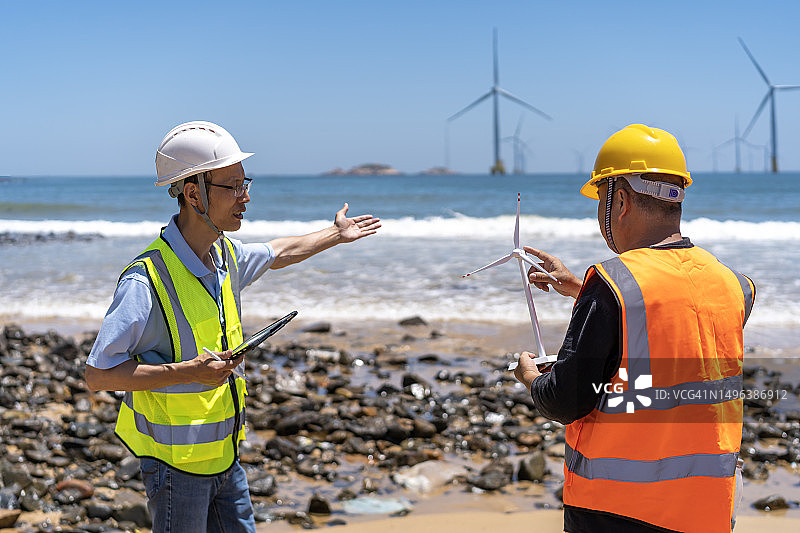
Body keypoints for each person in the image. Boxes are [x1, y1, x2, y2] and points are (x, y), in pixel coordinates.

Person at [84, 120, 380, 533]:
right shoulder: (145, 280)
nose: (246, 197)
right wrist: (190, 372)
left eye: (247, 183)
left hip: (225, 457)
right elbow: (98, 376)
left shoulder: (224, 255)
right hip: (176, 467)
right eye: (233, 186)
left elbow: (279, 252)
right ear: (193, 193)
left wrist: (335, 233)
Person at [513, 124, 754, 533]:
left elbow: (567, 399)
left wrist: (532, 379)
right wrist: (580, 291)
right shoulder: (734, 284)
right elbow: (672, 326)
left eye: (601, 199)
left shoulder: (612, 283)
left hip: (618, 511)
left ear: (620, 200)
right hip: (707, 510)